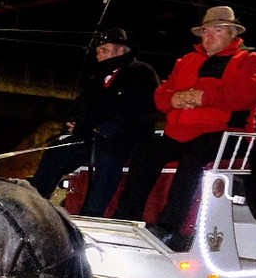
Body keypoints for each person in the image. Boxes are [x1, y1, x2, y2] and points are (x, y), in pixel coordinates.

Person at [114, 5, 256, 249]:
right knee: (145, 153)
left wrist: (202, 96)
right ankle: (125, 221)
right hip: (179, 133)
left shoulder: (251, 60)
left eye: (216, 30)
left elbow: (249, 93)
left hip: (226, 134)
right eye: (206, 31)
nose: (209, 36)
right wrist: (174, 99)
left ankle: (169, 229)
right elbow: (161, 95)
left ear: (232, 33)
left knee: (193, 158)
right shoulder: (186, 61)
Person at [28, 28, 159, 216]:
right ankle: (36, 201)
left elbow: (146, 108)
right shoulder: (96, 79)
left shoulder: (141, 72)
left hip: (127, 136)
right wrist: (74, 120)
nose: (99, 55)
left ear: (121, 50)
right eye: (97, 51)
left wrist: (114, 126)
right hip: (93, 137)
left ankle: (92, 211)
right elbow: (81, 105)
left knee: (108, 159)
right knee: (56, 150)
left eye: (104, 50)